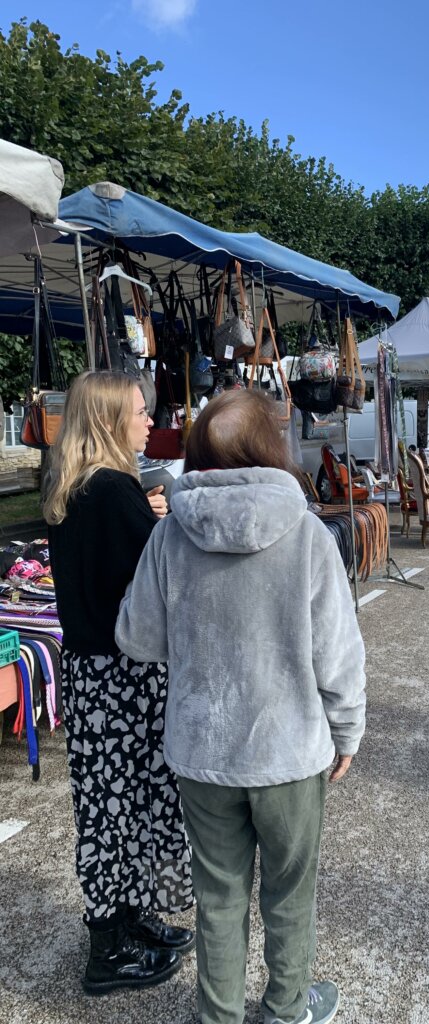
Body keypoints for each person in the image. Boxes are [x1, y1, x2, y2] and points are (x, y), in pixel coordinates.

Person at [116, 388, 366, 1024]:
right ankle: (287, 1008)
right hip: (289, 751)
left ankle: (218, 1014)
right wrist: (347, 732)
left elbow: (136, 638)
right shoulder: (308, 533)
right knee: (289, 893)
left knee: (217, 895)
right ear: (268, 447)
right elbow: (337, 652)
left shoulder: (171, 534)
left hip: (202, 752)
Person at [44, 371, 194, 995]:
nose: (147, 423)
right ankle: (108, 947)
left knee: (112, 803)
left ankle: (127, 920)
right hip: (125, 678)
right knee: (125, 806)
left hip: (92, 675)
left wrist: (146, 514)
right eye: (137, 412)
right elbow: (159, 580)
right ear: (109, 421)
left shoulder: (75, 488)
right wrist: (157, 520)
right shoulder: (115, 492)